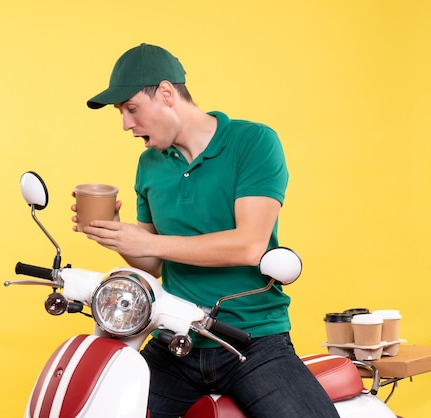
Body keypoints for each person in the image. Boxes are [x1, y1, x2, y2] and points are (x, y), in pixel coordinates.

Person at [72, 43, 339, 418]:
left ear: (166, 94)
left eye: (131, 109)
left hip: (251, 340)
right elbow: (154, 261)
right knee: (102, 408)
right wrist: (117, 233)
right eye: (121, 113)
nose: (126, 124)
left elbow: (248, 246)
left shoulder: (253, 143)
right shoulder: (149, 164)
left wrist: (149, 240)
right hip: (174, 339)